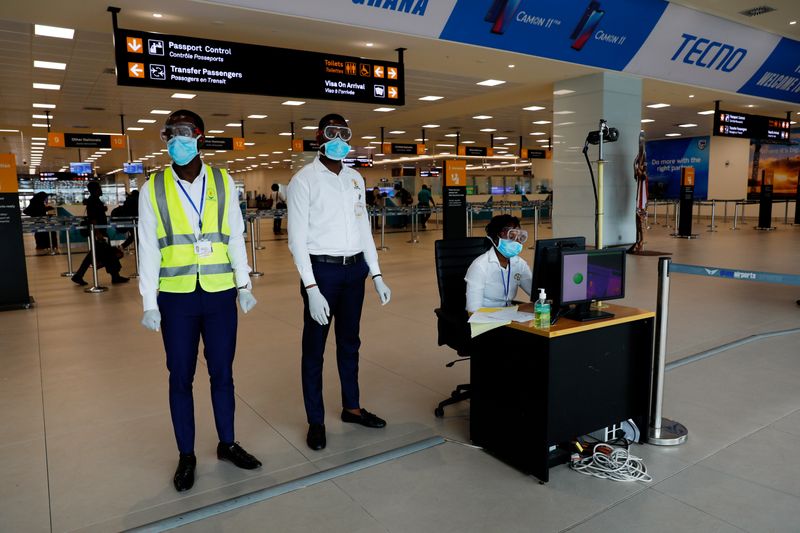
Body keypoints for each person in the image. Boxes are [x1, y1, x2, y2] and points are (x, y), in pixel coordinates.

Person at [137, 109, 261, 492]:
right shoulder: (152, 188)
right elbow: (148, 248)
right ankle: (186, 454)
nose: (177, 140)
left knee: (222, 372)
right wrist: (149, 302)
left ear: (200, 135)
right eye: (169, 134)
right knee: (180, 377)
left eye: (184, 132)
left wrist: (244, 284)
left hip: (221, 293)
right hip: (176, 299)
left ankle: (227, 443)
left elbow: (236, 237)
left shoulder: (224, 182)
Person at [287, 113, 392, 451]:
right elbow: (296, 240)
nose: (338, 139)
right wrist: (311, 287)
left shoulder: (355, 178)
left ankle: (352, 407)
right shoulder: (304, 180)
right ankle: (315, 420)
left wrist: (375, 273)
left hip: (354, 271)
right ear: (319, 136)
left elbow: (364, 228)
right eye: (331, 132)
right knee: (314, 349)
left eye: (343, 133)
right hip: (323, 272)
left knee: (350, 342)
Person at [465, 214, 533, 313]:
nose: (517, 241)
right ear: (495, 238)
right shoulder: (480, 266)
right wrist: (515, 310)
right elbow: (473, 310)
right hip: (485, 321)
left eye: (519, 236)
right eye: (511, 236)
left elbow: (536, 293)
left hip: (510, 317)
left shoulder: (519, 264)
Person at [71, 181, 128, 286]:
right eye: (99, 188)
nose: (101, 190)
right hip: (98, 232)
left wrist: (103, 209)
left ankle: (78, 275)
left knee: (95, 255)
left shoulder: (95, 200)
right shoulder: (93, 201)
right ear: (95, 190)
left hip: (99, 231)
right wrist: (98, 233)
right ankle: (115, 276)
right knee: (109, 254)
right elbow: (93, 218)